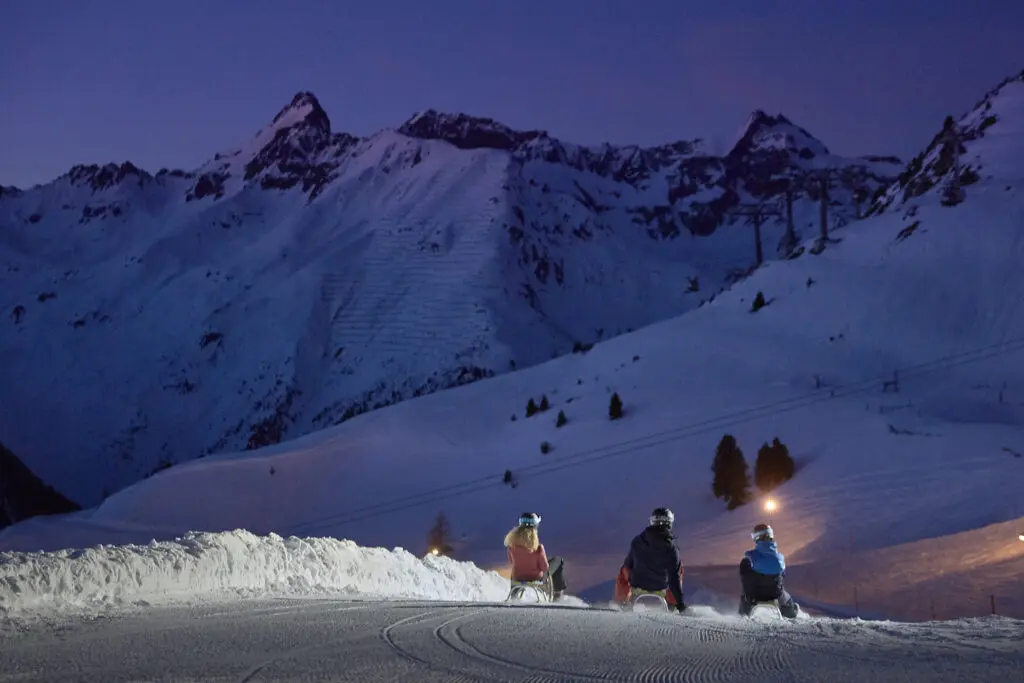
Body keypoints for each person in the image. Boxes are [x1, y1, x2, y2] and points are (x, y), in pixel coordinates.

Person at [614, 507, 686, 612]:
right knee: (678, 570)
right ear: (669, 523)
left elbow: (627, 567)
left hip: (637, 589)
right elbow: (674, 579)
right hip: (662, 591)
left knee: (624, 569)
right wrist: (681, 605)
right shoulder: (672, 549)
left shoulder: (637, 541)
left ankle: (622, 603)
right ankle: (673, 604)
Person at [739, 523, 799, 618]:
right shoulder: (780, 558)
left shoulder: (750, 557)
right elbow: (782, 576)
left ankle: (744, 612)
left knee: (745, 590)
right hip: (776, 595)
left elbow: (745, 578)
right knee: (787, 599)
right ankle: (790, 612)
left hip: (754, 596)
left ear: (757, 537)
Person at [504, 512, 567, 600]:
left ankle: (514, 595)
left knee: (515, 570)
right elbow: (544, 568)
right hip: (536, 578)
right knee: (558, 560)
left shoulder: (511, 547)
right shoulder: (538, 548)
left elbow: (511, 562)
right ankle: (557, 595)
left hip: (517, 577)